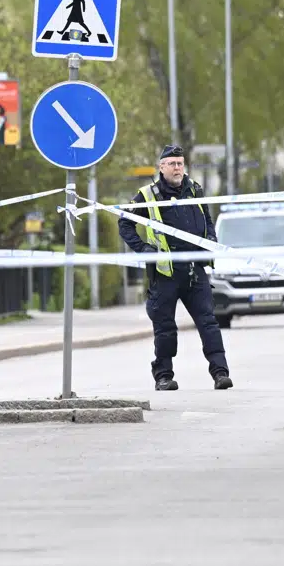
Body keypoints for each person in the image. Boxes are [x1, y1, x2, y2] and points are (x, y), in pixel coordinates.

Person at [119, 145, 232, 391]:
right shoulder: (147, 195)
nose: (177, 168)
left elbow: (207, 219)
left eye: (180, 163)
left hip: (194, 270)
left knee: (209, 323)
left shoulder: (195, 190)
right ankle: (163, 377)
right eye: (172, 164)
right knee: (165, 328)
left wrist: (210, 240)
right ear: (162, 167)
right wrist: (143, 249)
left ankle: (220, 373)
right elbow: (125, 223)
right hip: (165, 273)